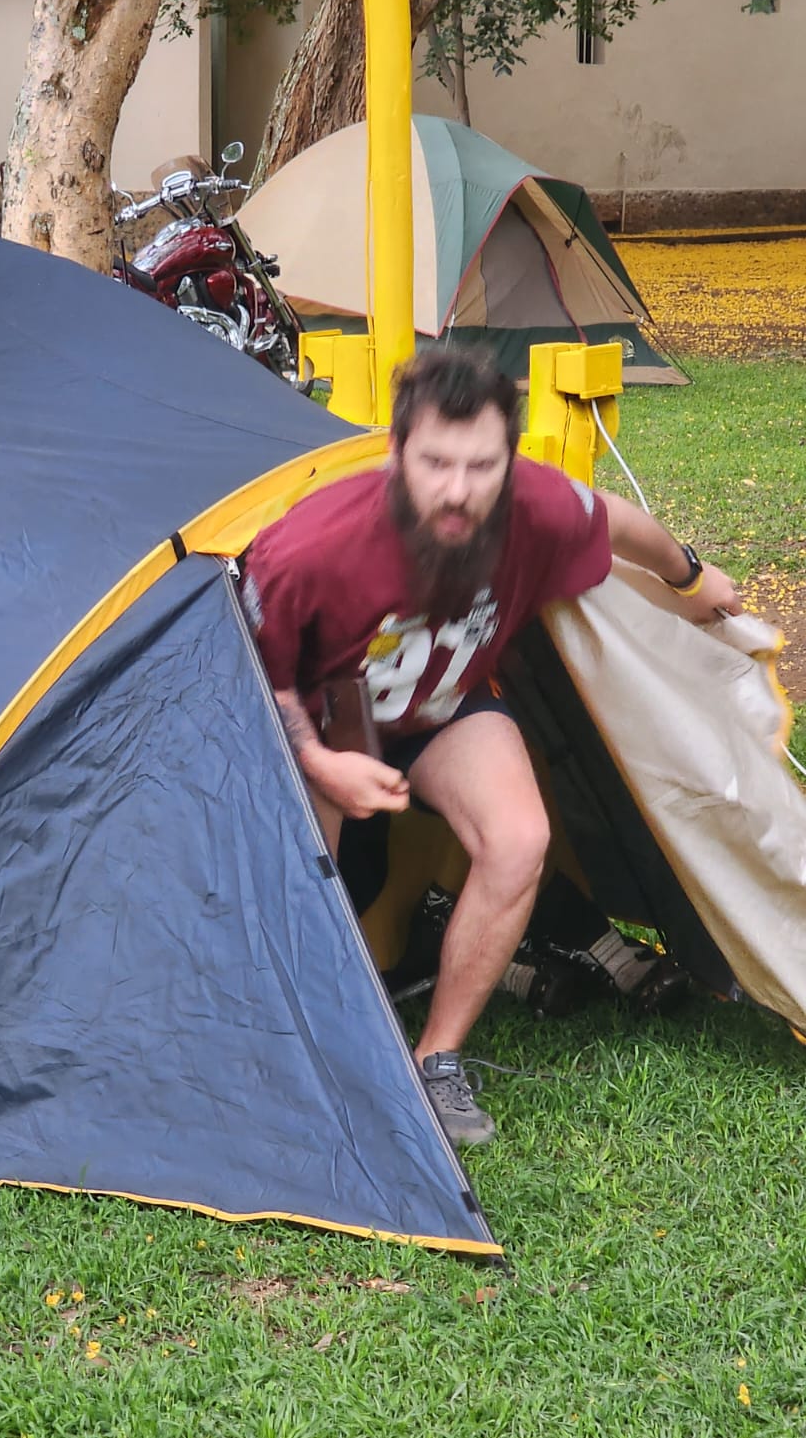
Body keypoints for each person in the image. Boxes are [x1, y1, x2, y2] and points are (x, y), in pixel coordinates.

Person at [240, 348, 740, 1147]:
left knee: (519, 839)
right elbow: (256, 682)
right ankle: (302, 1042)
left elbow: (613, 519)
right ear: (397, 452)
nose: (457, 490)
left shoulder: (533, 506)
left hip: (442, 707)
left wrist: (690, 575)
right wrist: (322, 760)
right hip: (324, 715)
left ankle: (436, 1058)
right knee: (313, 856)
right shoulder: (309, 548)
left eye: (482, 467)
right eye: (436, 463)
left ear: (509, 464)